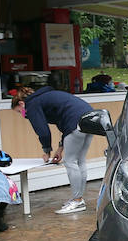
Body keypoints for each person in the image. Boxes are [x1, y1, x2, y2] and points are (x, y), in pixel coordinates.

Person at [10, 86, 93, 214]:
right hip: (90, 118)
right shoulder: (45, 97)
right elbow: (64, 124)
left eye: (19, 111)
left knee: (70, 162)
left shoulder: (32, 105)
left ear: (21, 103)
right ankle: (78, 198)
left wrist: (46, 151)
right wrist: (60, 149)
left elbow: (43, 131)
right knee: (80, 160)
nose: (22, 114)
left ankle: (77, 201)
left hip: (75, 121)